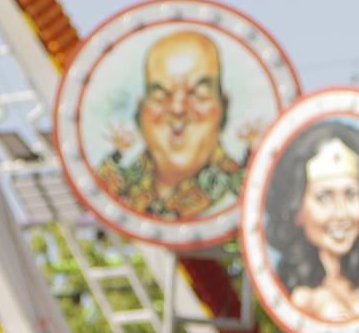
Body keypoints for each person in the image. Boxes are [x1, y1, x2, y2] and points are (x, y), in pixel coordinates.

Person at [264, 121, 359, 321]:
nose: (341, 214)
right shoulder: (305, 296)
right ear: (296, 210)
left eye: (351, 194)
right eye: (324, 197)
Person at [96, 29, 247, 221]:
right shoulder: (122, 187)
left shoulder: (241, 188)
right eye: (161, 94)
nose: (177, 108)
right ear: (141, 110)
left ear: (223, 107)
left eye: (199, 94)